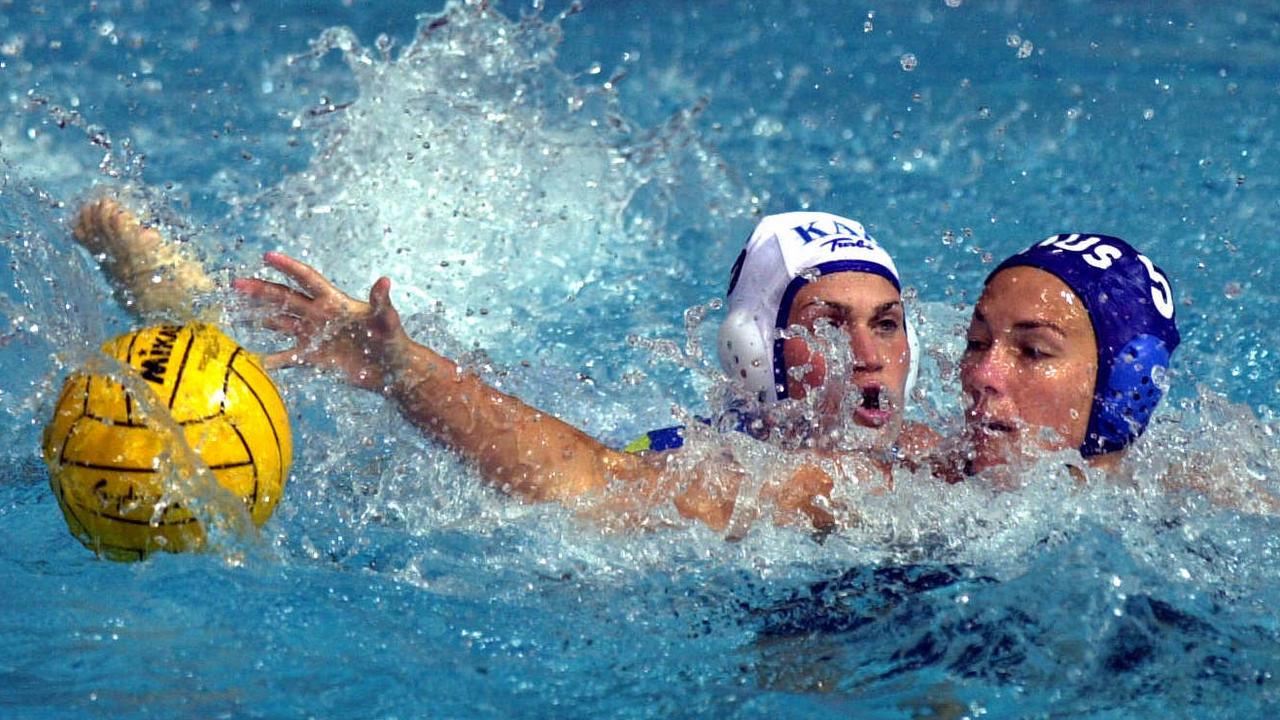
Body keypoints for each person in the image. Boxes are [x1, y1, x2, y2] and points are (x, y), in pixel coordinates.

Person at [73, 198, 934, 533]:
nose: (868, 358)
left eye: (889, 326)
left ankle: (201, 329)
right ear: (756, 348)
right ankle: (201, 333)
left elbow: (581, 482)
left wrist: (406, 372)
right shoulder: (736, 466)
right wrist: (403, 369)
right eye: (827, 325)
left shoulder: (905, 477)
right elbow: (583, 480)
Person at [946, 232, 1181, 484]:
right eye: (977, 343)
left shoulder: (1199, 503)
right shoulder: (918, 470)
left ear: (1124, 385)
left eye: (1033, 351)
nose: (982, 374)